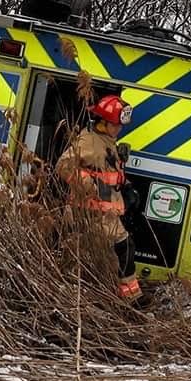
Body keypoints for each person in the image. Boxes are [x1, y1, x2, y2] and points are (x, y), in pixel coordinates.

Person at [56, 94, 142, 301]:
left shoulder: (106, 140)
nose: (119, 129)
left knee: (114, 251)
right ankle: (129, 299)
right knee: (122, 249)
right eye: (115, 125)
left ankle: (125, 297)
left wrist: (128, 188)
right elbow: (63, 166)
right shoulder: (89, 141)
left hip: (106, 213)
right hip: (89, 213)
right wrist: (89, 185)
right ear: (103, 123)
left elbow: (108, 171)